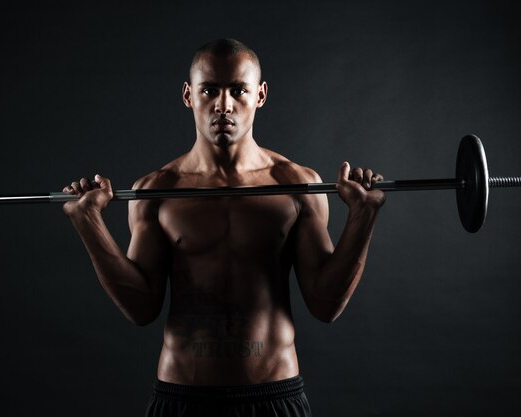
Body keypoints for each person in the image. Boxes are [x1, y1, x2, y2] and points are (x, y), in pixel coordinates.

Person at [62, 38, 385, 417]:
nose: (224, 105)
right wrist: (88, 223)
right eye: (210, 90)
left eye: (238, 90)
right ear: (188, 95)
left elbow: (325, 304)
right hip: (182, 398)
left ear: (260, 95)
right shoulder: (156, 191)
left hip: (274, 397)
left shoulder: (298, 185)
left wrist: (363, 217)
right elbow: (140, 307)